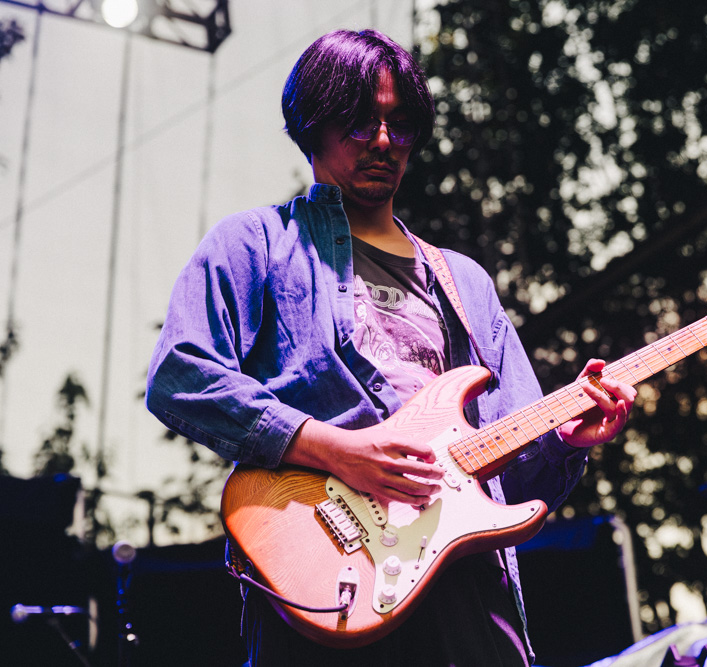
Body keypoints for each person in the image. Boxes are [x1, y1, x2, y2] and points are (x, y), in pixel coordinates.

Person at [146, 28, 635, 666]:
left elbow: (514, 479)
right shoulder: (257, 244)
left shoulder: (465, 282)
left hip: (467, 595)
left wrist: (566, 440)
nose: (383, 142)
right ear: (312, 124)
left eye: (400, 124)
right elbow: (180, 376)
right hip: (328, 582)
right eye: (358, 122)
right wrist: (339, 451)